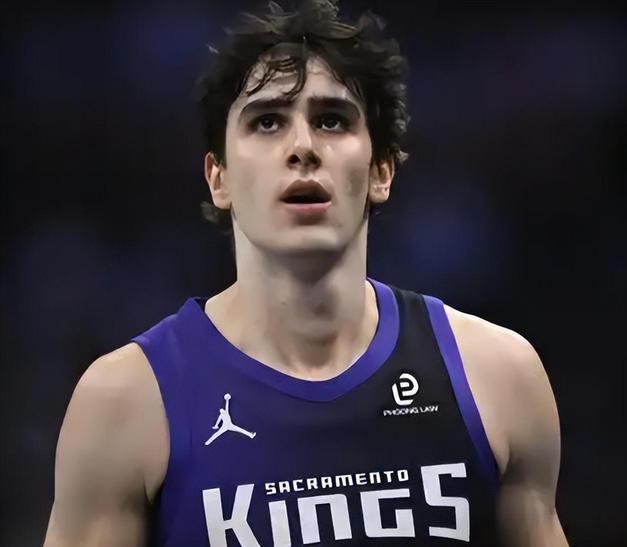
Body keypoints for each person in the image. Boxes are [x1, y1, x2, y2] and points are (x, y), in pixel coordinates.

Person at [43, 1, 568, 546]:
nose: (302, 148)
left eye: (331, 120)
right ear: (219, 177)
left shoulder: (496, 377)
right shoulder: (126, 403)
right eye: (267, 121)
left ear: (381, 169)